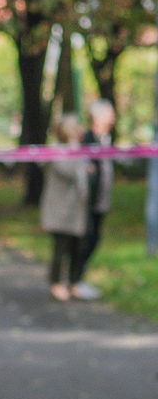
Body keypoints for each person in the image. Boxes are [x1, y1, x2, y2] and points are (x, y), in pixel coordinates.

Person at [40, 115, 89, 303]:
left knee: (76, 246)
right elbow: (67, 171)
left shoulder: (78, 150)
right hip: (60, 209)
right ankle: (56, 283)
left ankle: (73, 281)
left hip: (75, 208)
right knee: (60, 247)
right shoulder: (58, 151)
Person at [73, 99, 116, 301]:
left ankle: (77, 279)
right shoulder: (86, 139)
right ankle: (74, 280)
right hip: (86, 200)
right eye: (110, 113)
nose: (113, 118)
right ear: (98, 117)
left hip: (100, 200)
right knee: (85, 240)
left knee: (94, 239)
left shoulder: (106, 139)